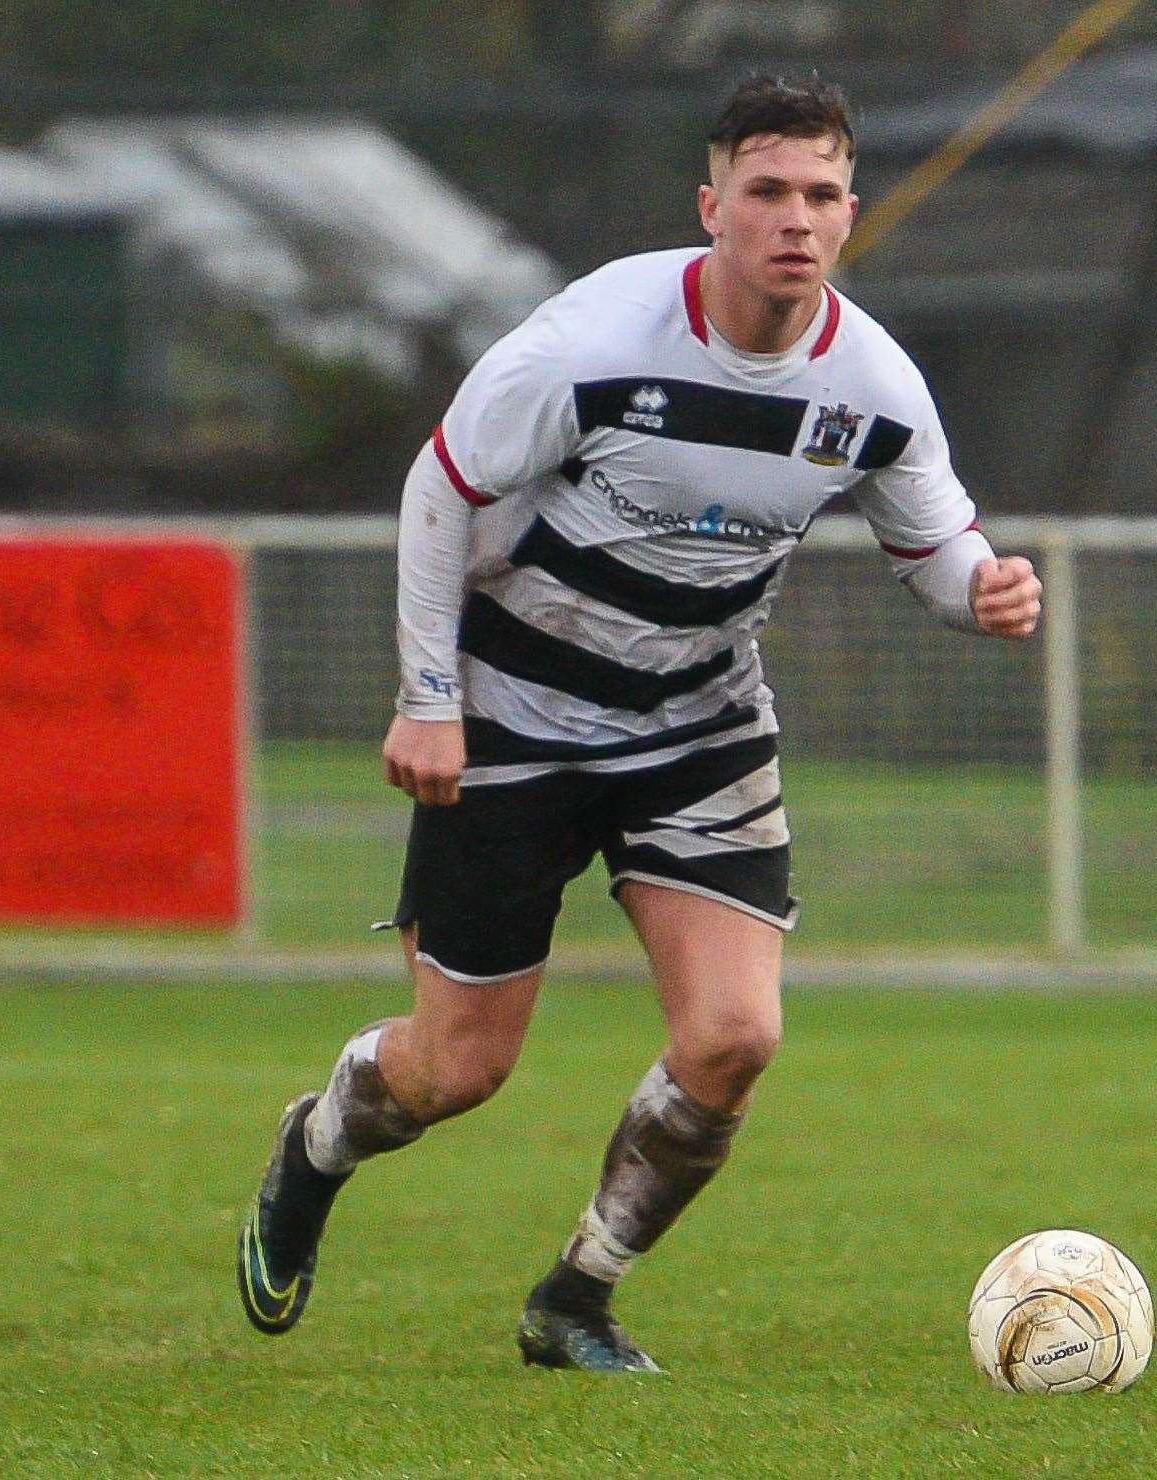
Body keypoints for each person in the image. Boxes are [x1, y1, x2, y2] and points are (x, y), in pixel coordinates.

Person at [238, 74, 1042, 1372]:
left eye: (822, 194)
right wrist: (428, 699)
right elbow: (439, 494)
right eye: (768, 192)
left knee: (733, 1038)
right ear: (710, 205)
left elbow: (934, 543)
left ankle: (576, 1297)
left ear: (849, 213)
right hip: (511, 725)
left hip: (698, 727)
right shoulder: (590, 346)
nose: (796, 218)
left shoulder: (875, 385)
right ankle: (317, 1143)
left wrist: (983, 591)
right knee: (455, 1073)